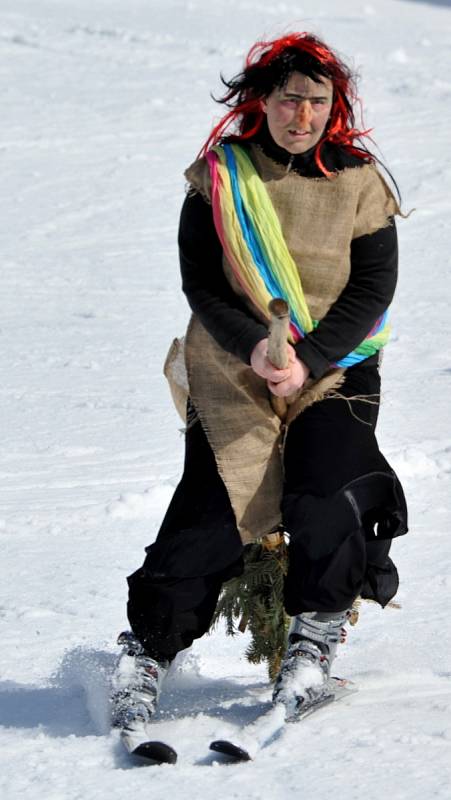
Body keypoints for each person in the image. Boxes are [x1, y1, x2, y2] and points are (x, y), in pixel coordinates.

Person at [111, 31, 408, 743]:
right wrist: (252, 346)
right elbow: (203, 284)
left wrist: (309, 359)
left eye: (315, 102)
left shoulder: (360, 181)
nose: (300, 116)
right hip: (229, 365)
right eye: (286, 100)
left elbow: (372, 286)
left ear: (333, 107)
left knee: (327, 487)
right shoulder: (221, 177)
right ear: (261, 103)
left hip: (335, 365)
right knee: (216, 505)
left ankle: (311, 647)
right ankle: (146, 653)